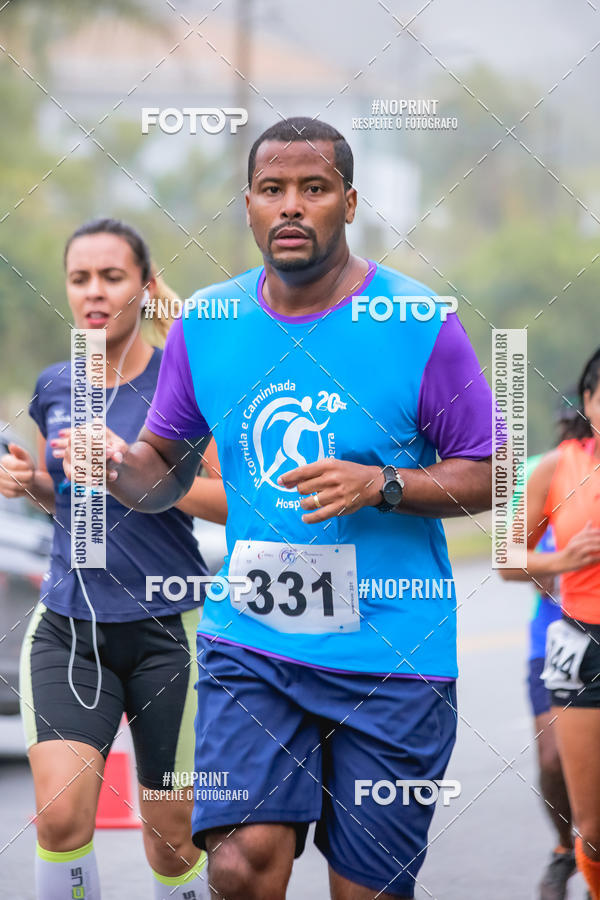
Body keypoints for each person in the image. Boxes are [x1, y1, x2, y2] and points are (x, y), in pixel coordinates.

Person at [67, 118, 495, 899]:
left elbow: (490, 474)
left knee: (366, 891)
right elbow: (163, 472)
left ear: (349, 202)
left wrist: (385, 484)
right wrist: (121, 469)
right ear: (250, 206)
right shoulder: (208, 322)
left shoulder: (418, 323)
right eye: (272, 189)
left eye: (314, 188)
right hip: (253, 647)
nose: (291, 205)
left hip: (391, 658)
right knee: (238, 864)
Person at [0, 218, 226, 900]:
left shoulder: (184, 385)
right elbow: (68, 502)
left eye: (112, 276)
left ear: (146, 287)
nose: (94, 292)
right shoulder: (55, 386)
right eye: (80, 278)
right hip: (70, 628)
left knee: (173, 837)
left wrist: (136, 474)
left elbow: (234, 504)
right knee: (61, 817)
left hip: (169, 630)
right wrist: (30, 483)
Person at [503, 350, 600, 900]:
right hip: (564, 635)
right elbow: (512, 558)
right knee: (554, 759)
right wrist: (561, 562)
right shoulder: (553, 469)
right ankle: (568, 848)